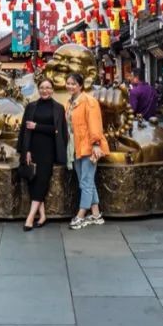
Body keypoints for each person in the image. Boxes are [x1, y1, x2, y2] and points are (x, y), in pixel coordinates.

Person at [17, 78, 68, 231]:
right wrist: (26, 150)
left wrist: (37, 126)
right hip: (33, 148)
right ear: (38, 89)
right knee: (32, 180)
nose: (45, 90)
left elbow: (57, 130)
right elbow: (25, 130)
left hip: (48, 149)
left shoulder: (58, 108)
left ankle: (30, 217)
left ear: (52, 90)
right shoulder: (31, 106)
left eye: (48, 87)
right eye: (42, 87)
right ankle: (43, 215)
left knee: (42, 181)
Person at [66, 72, 109, 230]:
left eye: (73, 84)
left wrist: (96, 144)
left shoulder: (89, 101)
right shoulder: (69, 102)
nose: (70, 86)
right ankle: (96, 215)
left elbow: (95, 124)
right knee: (86, 181)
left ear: (80, 85)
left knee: (85, 180)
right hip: (76, 146)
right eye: (68, 83)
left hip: (89, 147)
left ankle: (81, 214)